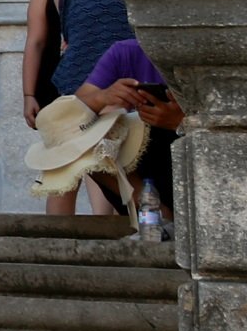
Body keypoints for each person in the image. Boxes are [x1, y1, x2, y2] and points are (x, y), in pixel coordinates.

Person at [74, 36, 183, 218]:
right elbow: (74, 109)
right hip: (143, 159)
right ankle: (155, 212)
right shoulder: (125, 52)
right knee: (80, 141)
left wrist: (179, 122)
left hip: (192, 151)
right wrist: (104, 96)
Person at [20, 0, 75, 214]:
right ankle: (60, 236)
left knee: (101, 164)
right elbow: (35, 42)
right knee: (60, 169)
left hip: (97, 83)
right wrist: (28, 94)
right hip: (57, 86)